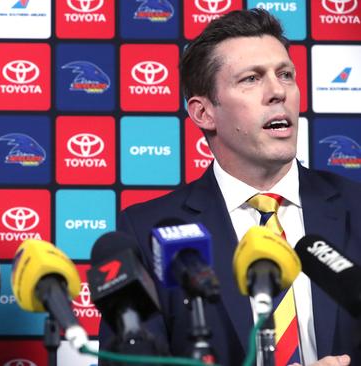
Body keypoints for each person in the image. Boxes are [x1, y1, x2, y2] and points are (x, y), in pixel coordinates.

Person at [107, 9, 361, 366]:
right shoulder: (147, 232)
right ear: (203, 113)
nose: (278, 92)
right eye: (251, 79)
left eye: (285, 74)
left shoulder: (356, 207)